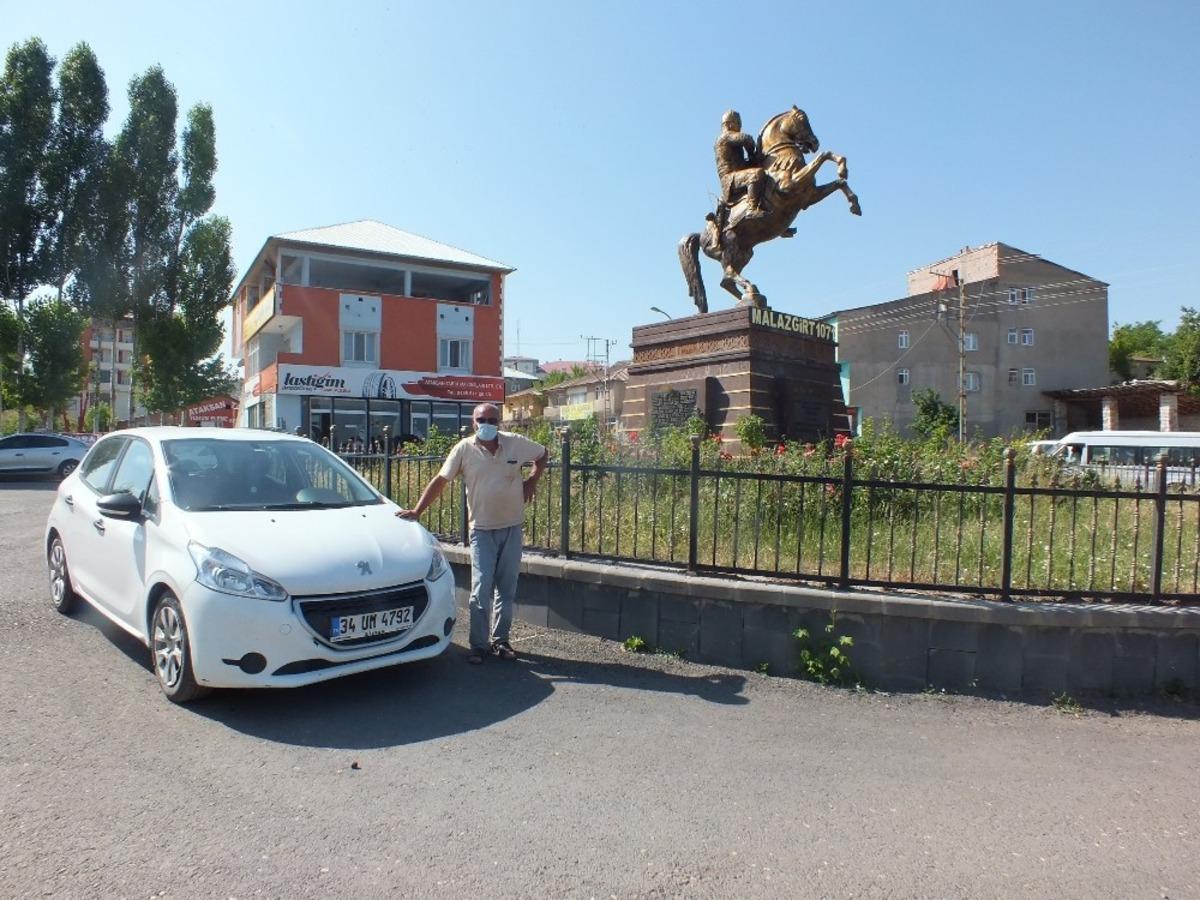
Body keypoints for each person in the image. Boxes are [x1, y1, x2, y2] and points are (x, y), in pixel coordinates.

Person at [396, 403, 548, 664]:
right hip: (481, 530)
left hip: (512, 527)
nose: (486, 423)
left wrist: (532, 480)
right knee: (481, 589)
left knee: (506, 590)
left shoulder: (515, 443)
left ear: (499, 422)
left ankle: (501, 642)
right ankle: (478, 645)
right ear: (473, 422)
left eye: (492, 419)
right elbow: (441, 480)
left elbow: (543, 454)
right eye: (481, 419)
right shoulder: (464, 449)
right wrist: (418, 510)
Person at [714, 109, 768, 215]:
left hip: (739, 172)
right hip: (730, 178)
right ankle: (751, 209)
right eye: (738, 123)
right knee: (756, 174)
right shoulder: (724, 137)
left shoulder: (729, 138)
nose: (740, 127)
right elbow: (746, 139)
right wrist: (751, 153)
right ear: (729, 124)